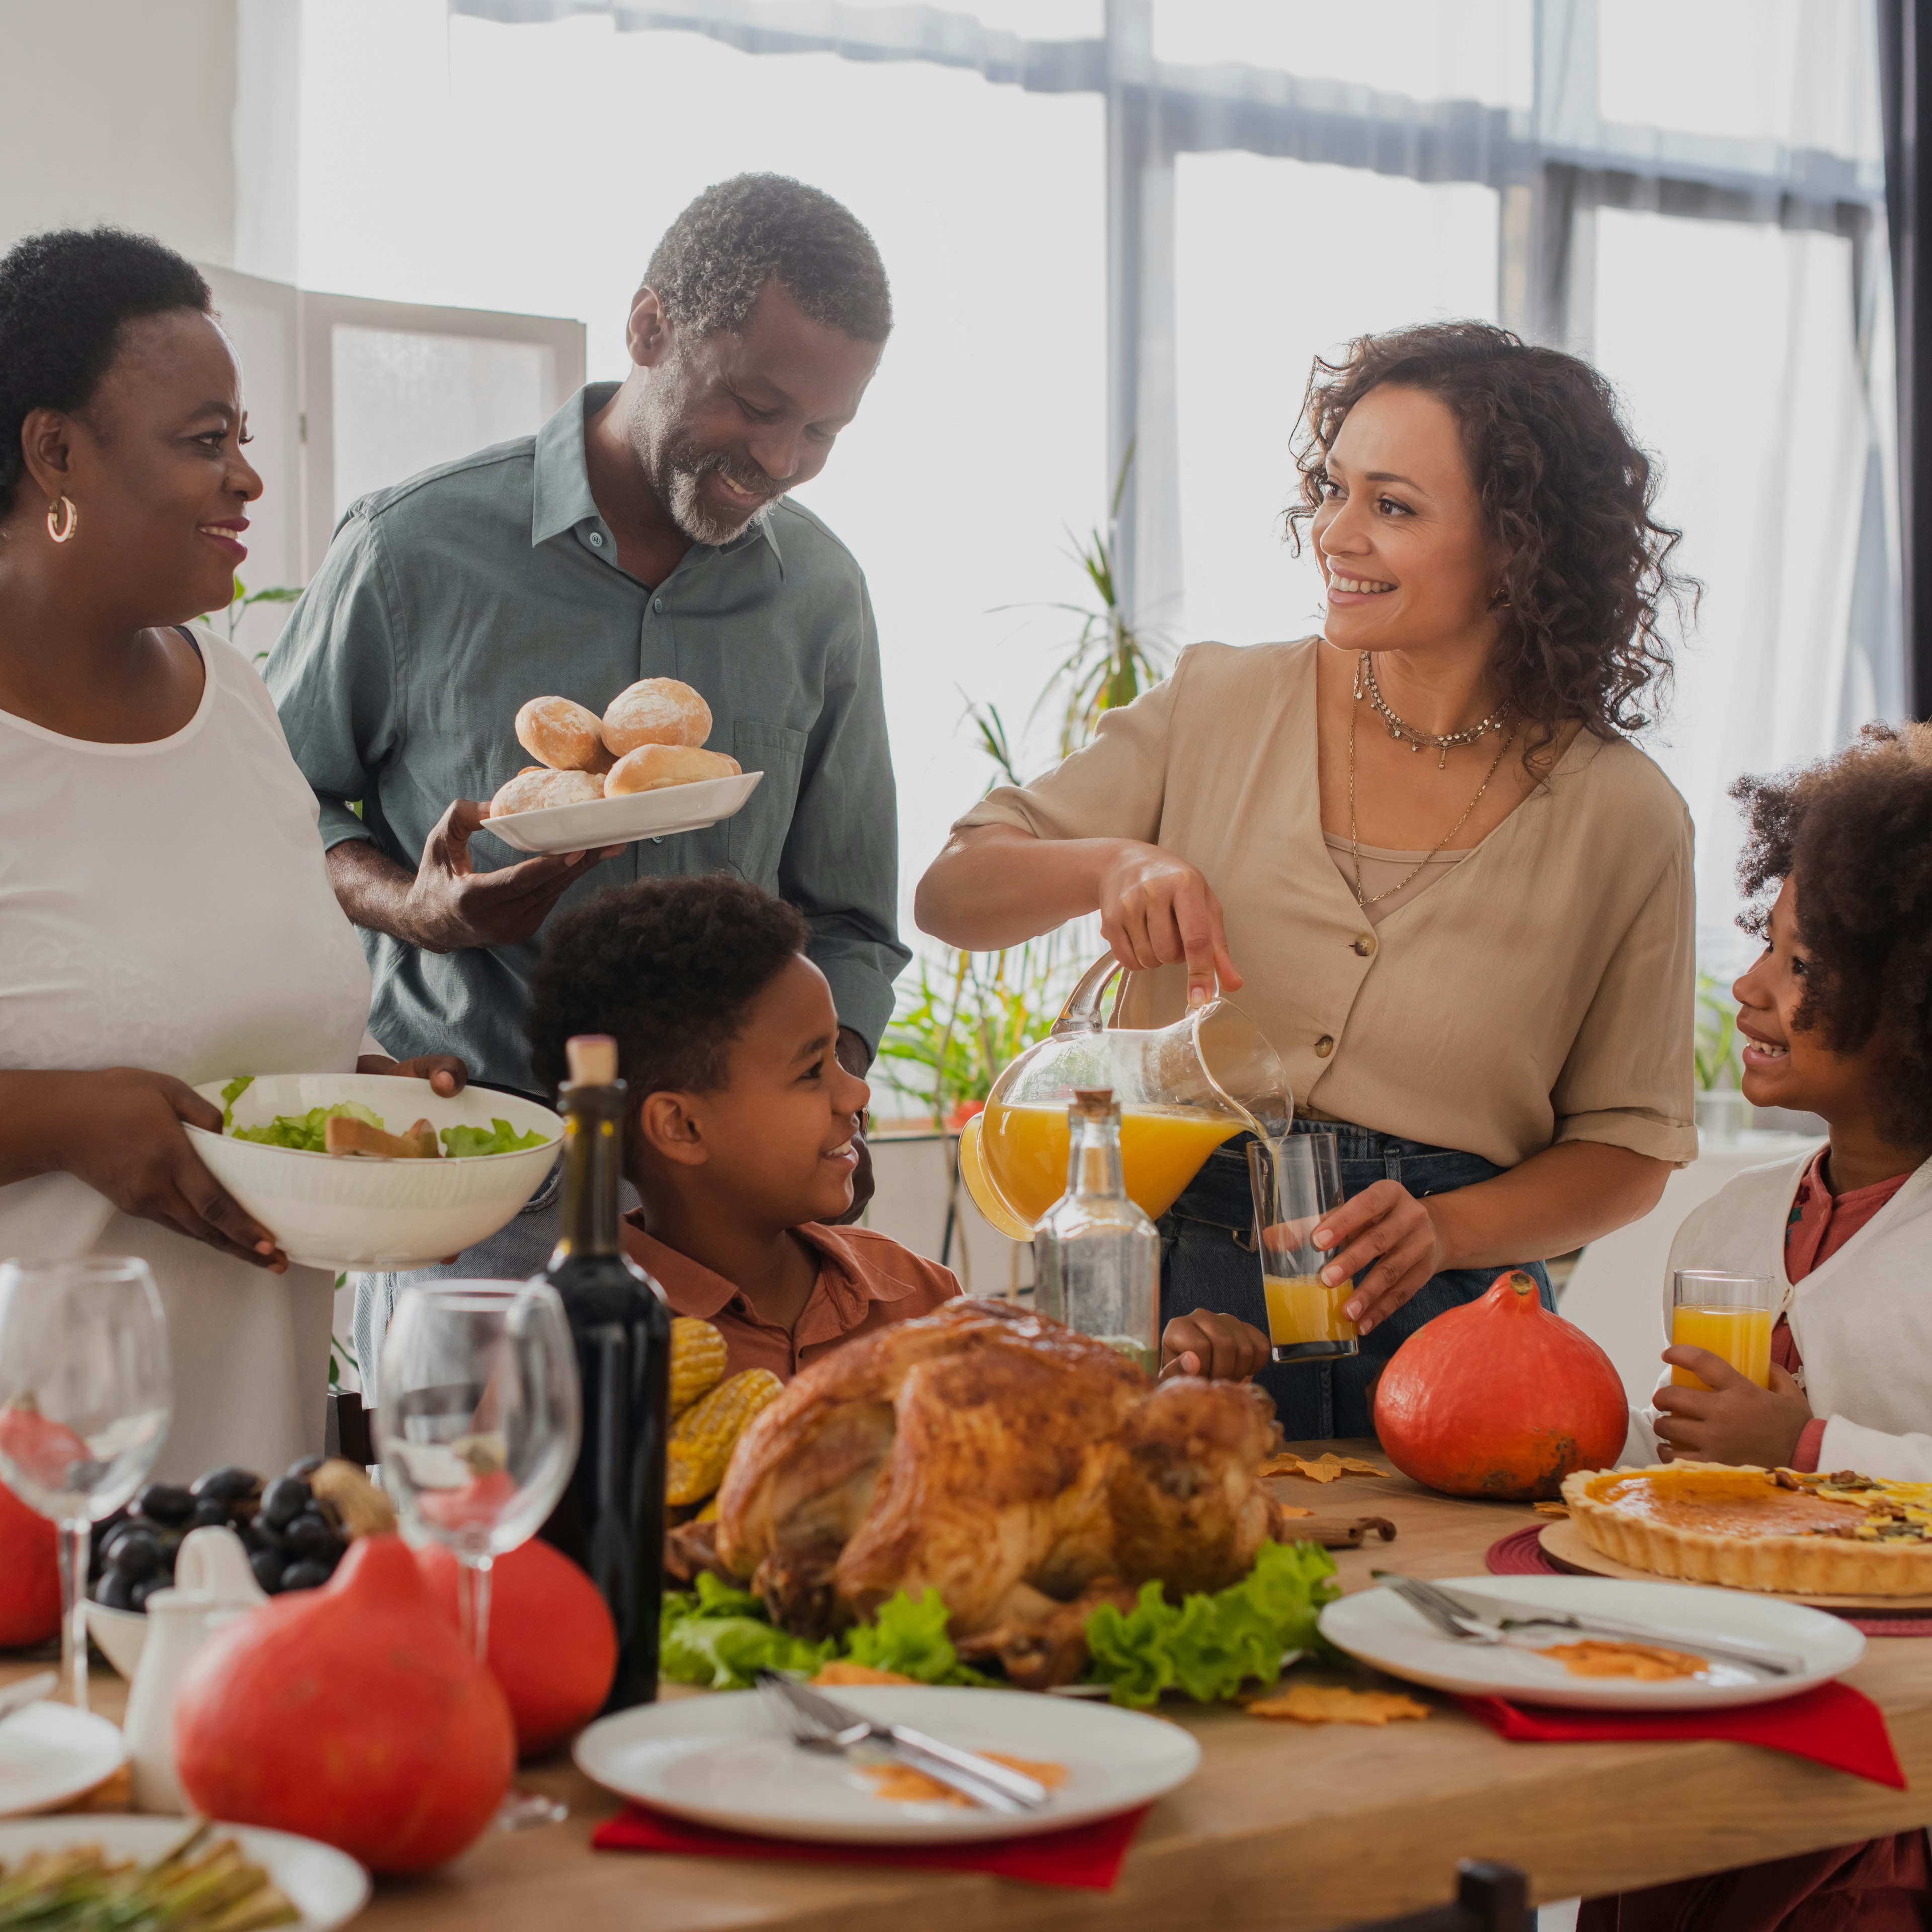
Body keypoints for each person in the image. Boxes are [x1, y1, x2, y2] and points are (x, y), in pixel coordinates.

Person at [918, 321, 1699, 1438]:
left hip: (1454, 1341)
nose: (1335, 532)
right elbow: (952, 892)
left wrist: (1450, 1230)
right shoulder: (1220, 704)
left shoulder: (1627, 814)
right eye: (1334, 490)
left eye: (1394, 506)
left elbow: (1628, 1149)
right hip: (1182, 1310)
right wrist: (1112, 862)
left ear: (1520, 546)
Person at [267, 175, 912, 1351]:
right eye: (757, 404)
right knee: (481, 1529)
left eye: (822, 431)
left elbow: (852, 920)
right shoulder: (412, 549)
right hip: (471, 1198)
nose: (781, 459)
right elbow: (272, 811)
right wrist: (411, 908)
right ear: (651, 328)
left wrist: (826, 1102)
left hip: (723, 1230)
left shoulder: (821, 594)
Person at [0, 228, 462, 1478]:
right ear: (56, 453)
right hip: (32, 1485)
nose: (249, 481)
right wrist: (54, 1120)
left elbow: (227, 1044)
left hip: (247, 1464)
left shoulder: (239, 700)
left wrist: (356, 1107)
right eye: (207, 443)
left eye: (245, 438)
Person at [1588, 736, 1932, 1932]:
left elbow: (1785, 1448)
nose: (1747, 988)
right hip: (1708, 1699)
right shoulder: (1730, 1221)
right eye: (1765, 946)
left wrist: (1811, 1444)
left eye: (1800, 962)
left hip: (1885, 1770)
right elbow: (1680, 1467)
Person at [515, 875, 1270, 1388]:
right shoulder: (573, 1345)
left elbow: (1033, 1469)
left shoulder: (916, 1295)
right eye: (813, 1071)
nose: (858, 1092)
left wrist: (1160, 1389)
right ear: (681, 1125)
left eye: (842, 1057)